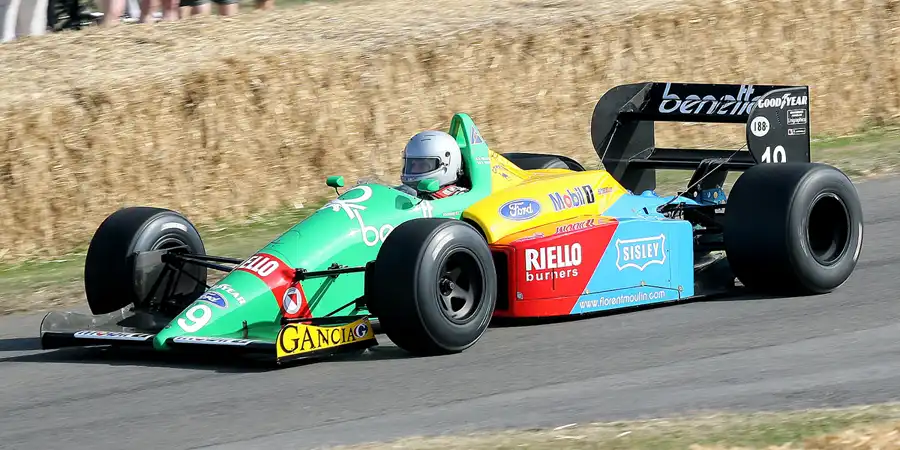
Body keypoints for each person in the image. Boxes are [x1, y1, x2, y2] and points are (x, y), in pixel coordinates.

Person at [400, 130, 469, 200]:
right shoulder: (405, 192)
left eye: (422, 166)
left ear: (447, 164)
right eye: (411, 165)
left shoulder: (459, 198)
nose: (413, 169)